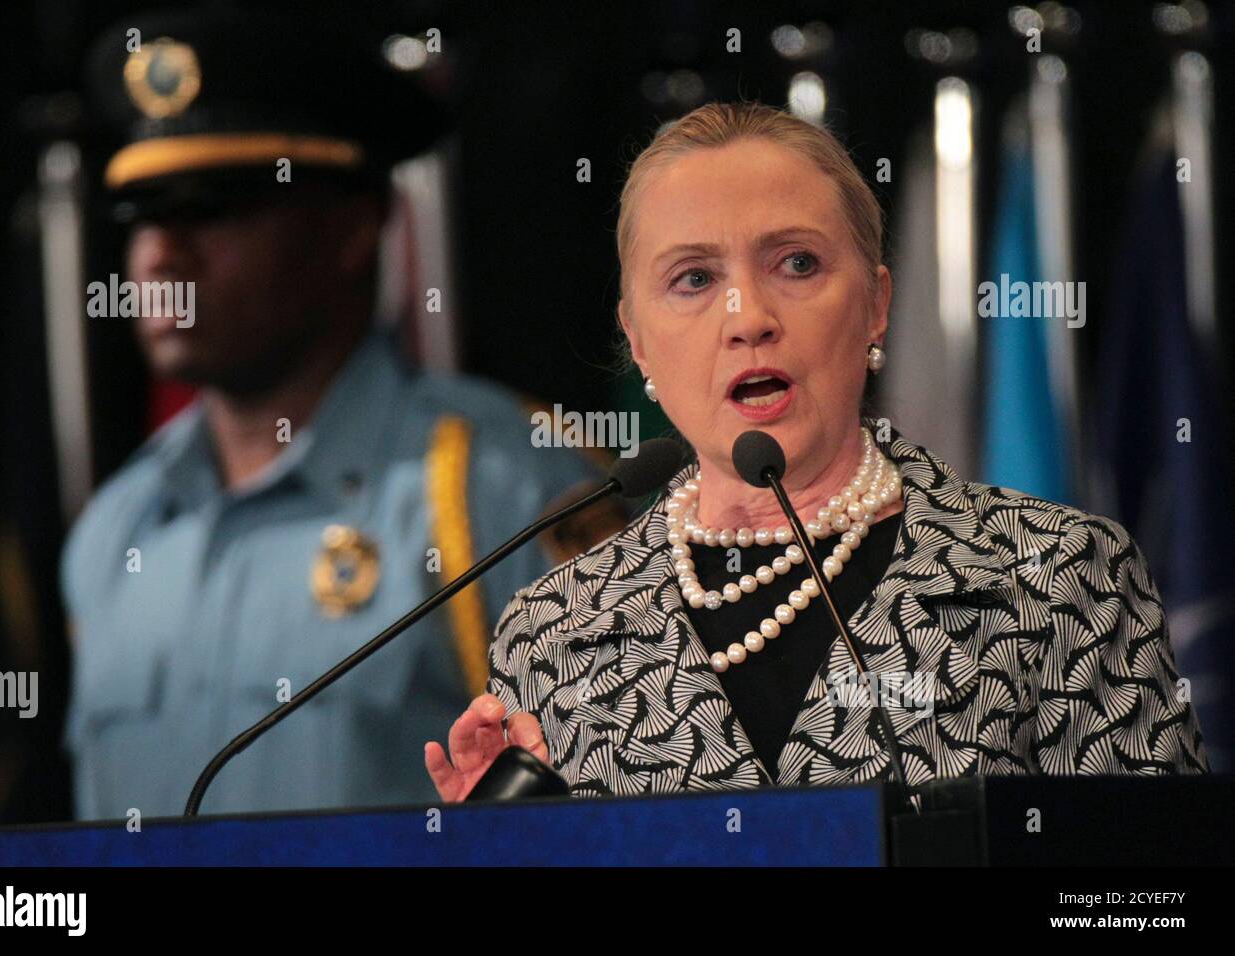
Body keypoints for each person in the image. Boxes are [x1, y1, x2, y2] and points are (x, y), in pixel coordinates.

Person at [426, 101, 1210, 802]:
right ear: (638, 342)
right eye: (694, 278)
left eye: (796, 264)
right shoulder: (558, 631)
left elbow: (1149, 902)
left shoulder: (1059, 576)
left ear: (876, 305)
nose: (748, 317)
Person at [63, 8, 612, 819]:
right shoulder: (115, 529)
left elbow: (628, 821)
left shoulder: (503, 487)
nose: (159, 254)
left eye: (213, 206)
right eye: (142, 213)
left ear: (356, 226)